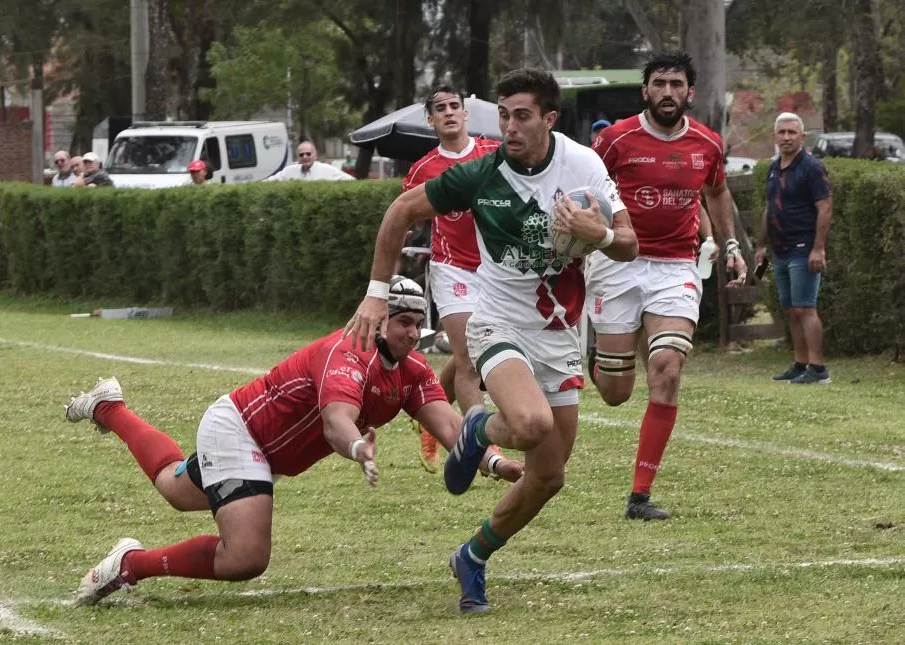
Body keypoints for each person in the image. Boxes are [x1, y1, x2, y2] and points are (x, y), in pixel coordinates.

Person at [344, 68, 638, 613]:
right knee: (530, 425)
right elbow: (400, 212)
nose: (510, 127)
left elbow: (628, 243)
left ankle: (472, 556)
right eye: (503, 116)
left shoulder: (584, 166)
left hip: (556, 333)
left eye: (522, 116)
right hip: (497, 320)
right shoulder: (482, 175)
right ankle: (478, 426)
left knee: (548, 476)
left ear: (549, 118)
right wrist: (376, 294)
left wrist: (598, 235)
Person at [64, 276, 522, 606]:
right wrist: (358, 449)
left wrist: (495, 462)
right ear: (379, 321)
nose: (410, 331)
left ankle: (109, 406)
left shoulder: (412, 371)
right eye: (402, 320)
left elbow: (448, 426)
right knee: (246, 556)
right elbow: (336, 421)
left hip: (260, 450)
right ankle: (131, 566)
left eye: (417, 322)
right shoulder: (347, 353)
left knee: (173, 486)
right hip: (239, 430)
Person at [588, 51, 747, 521]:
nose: (668, 93)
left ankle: (639, 496)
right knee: (615, 392)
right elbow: (583, 185)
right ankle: (610, 350)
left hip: (675, 266)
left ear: (690, 92)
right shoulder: (615, 140)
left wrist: (730, 243)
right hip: (618, 261)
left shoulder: (707, 144)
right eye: (659, 84)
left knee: (667, 367)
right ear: (646, 91)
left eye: (677, 84)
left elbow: (716, 191)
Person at [400, 85, 501, 472]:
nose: (448, 113)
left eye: (454, 106)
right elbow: (404, 220)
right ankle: (480, 448)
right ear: (430, 120)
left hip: (496, 270)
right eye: (439, 108)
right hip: (451, 267)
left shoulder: (492, 155)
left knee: (476, 356)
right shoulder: (423, 169)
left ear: (465, 113)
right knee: (468, 360)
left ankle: (430, 417)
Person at [754, 112, 832, 384]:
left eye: (791, 132)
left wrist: (818, 248)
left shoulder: (811, 167)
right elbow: (770, 206)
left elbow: (825, 207)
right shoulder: (775, 167)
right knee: (790, 309)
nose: (786, 137)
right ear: (774, 136)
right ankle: (800, 363)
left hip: (804, 247)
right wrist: (762, 244)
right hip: (781, 249)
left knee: (805, 308)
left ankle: (818, 369)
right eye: (782, 132)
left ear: (802, 136)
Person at [265, 141, 354, 181]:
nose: (305, 156)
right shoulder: (289, 171)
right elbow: (270, 181)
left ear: (315, 155)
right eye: (301, 154)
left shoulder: (327, 170)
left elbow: (351, 180)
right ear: (298, 157)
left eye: (308, 154)